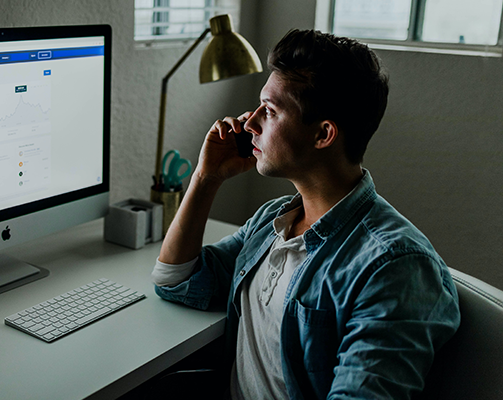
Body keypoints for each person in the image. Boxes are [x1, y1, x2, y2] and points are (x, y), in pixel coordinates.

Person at [152, 29, 460, 399]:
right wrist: (205, 179)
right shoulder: (273, 222)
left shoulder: (394, 267)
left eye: (270, 110)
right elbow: (176, 280)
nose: (249, 123)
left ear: (323, 134)